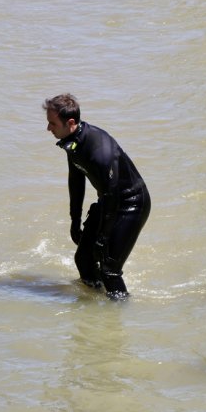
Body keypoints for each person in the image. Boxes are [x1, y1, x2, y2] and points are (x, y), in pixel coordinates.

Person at [44, 93, 150, 299]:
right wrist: (75, 220)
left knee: (109, 269)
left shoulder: (99, 150)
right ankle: (93, 307)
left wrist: (103, 237)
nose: (48, 128)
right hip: (108, 202)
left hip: (131, 204)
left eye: (52, 124)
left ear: (71, 122)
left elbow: (112, 195)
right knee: (83, 259)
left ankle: (118, 315)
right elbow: (76, 180)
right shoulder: (71, 140)